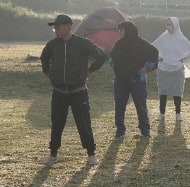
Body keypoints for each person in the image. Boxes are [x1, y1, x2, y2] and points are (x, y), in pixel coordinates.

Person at [40, 14, 107, 165]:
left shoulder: (82, 43)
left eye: (58, 27)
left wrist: (90, 70)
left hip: (78, 91)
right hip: (58, 92)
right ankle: (53, 154)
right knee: (57, 123)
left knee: (83, 123)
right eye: (54, 28)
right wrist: (48, 72)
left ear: (68, 27)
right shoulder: (52, 44)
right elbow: (44, 57)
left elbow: (101, 56)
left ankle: (91, 154)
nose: (56, 30)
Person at [110, 20, 159, 139]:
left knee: (141, 106)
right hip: (121, 80)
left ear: (128, 31)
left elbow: (154, 53)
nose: (120, 32)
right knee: (119, 106)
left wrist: (146, 67)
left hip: (137, 80)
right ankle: (120, 131)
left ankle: (145, 132)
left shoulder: (141, 44)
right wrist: (117, 68)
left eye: (121, 30)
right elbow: (112, 57)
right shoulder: (119, 44)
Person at [152, 17, 190, 121]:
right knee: (163, 92)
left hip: (177, 70)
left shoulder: (181, 39)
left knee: (177, 92)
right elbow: (152, 48)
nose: (168, 27)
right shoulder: (163, 38)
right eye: (167, 24)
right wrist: (157, 57)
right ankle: (161, 113)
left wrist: (182, 59)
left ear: (176, 26)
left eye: (171, 25)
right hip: (163, 69)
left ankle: (178, 113)